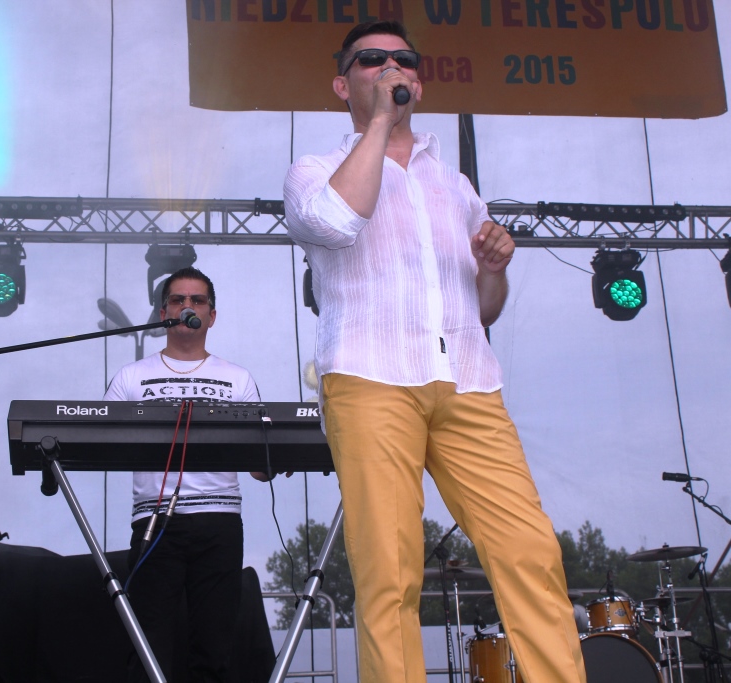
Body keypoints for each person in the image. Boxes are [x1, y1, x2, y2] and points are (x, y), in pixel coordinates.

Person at [282, 20, 587, 683]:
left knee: (530, 552)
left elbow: (484, 308)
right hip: (370, 378)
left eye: (405, 60)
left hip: (469, 381)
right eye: (372, 60)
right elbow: (335, 222)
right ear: (342, 85)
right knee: (389, 573)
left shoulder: (456, 186)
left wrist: (494, 268)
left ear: (419, 83)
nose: (392, 68)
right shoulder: (314, 171)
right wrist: (380, 125)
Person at [104, 266, 263, 683]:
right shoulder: (131, 377)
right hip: (154, 522)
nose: (187, 306)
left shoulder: (238, 378)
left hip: (219, 522)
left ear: (212, 316)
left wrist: (276, 455)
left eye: (197, 300)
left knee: (214, 647)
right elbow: (102, 443)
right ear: (163, 314)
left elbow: (259, 466)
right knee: (146, 646)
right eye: (178, 300)